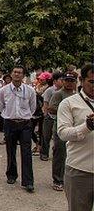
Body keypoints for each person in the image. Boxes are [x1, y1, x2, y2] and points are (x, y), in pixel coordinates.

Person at [57, 63, 94, 211]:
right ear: (81, 80)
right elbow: (63, 133)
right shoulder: (69, 103)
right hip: (80, 171)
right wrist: (87, 127)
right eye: (92, 82)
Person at [0, 65, 37, 193]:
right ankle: (11, 175)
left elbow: (33, 107)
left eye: (20, 72)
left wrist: (24, 116)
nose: (17, 74)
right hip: (10, 123)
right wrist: (9, 116)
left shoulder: (30, 91)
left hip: (25, 124)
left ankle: (28, 181)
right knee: (10, 150)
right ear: (11, 74)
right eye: (15, 72)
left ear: (23, 75)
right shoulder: (4, 90)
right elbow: (1, 106)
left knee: (26, 152)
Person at [47, 72, 78, 192]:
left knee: (70, 154)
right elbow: (50, 108)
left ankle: (66, 178)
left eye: (72, 81)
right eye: (67, 80)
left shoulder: (77, 95)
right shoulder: (58, 94)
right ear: (63, 81)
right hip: (61, 128)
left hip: (74, 129)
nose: (69, 83)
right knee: (59, 153)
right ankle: (57, 180)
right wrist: (65, 110)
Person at [40, 71, 63, 161]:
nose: (62, 82)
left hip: (60, 117)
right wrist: (46, 116)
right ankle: (44, 153)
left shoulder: (65, 91)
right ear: (55, 81)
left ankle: (57, 153)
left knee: (58, 137)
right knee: (46, 136)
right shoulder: (50, 90)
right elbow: (45, 104)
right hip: (49, 116)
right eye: (60, 80)